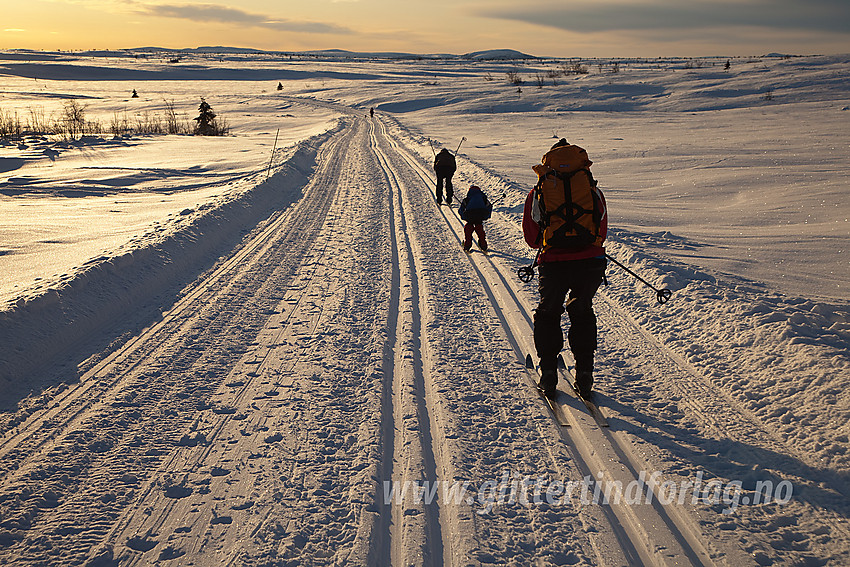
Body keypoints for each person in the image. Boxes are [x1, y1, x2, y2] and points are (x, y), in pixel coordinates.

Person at [522, 139, 608, 400]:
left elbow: (532, 238)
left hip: (554, 263)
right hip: (590, 262)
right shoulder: (592, 190)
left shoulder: (539, 191)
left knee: (548, 314)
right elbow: (601, 231)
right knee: (581, 312)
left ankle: (548, 372)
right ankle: (584, 374)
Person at [458, 185, 492, 252]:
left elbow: (461, 210)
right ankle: (483, 245)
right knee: (479, 227)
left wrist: (464, 217)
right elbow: (489, 207)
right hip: (481, 214)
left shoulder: (467, 199)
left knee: (469, 227)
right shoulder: (483, 198)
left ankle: (467, 244)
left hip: (470, 215)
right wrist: (486, 216)